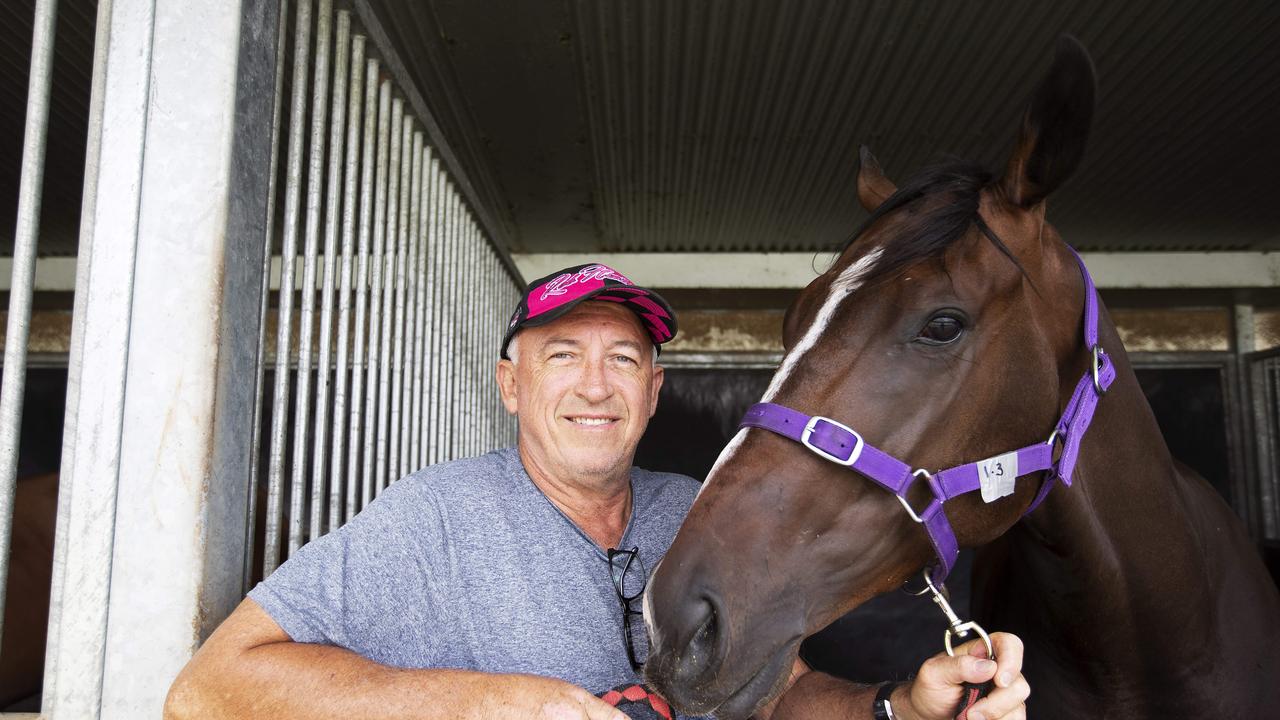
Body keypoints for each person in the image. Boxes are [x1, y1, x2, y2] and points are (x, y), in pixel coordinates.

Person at [165, 263, 1030, 720]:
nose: (594, 386)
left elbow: (777, 699)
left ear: (654, 393)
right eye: (562, 357)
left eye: (622, 359)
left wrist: (902, 709)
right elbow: (208, 691)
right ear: (511, 386)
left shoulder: (691, 512)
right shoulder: (435, 519)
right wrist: (494, 704)